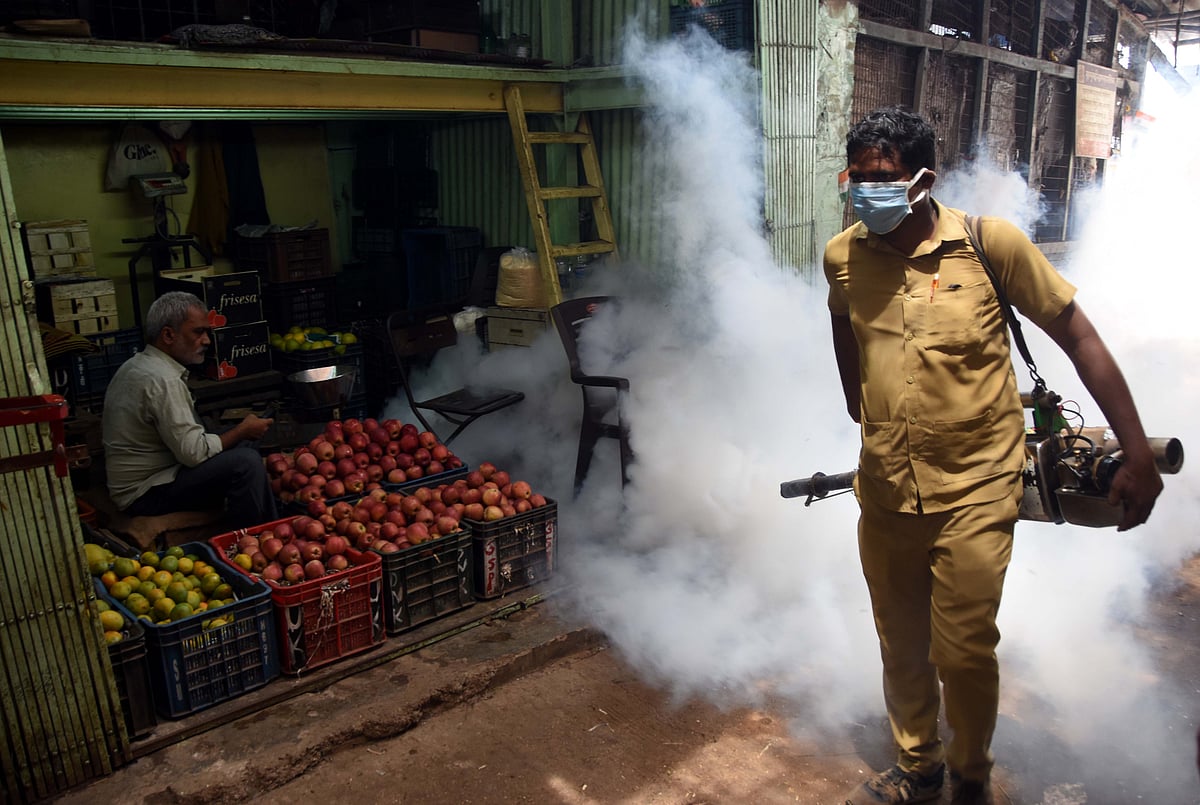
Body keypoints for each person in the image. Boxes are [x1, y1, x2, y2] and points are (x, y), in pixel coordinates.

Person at [824, 107, 1163, 805]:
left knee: (964, 649)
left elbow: (1081, 339)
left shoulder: (990, 246)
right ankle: (918, 766)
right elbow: (843, 325)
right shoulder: (843, 255)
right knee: (902, 644)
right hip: (886, 490)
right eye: (857, 177)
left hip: (977, 488)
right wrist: (862, 409)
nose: (865, 191)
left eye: (882, 178)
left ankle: (969, 775)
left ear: (923, 181)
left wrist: (1136, 451)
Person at [103, 291, 277, 530]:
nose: (206, 340)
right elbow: (193, 453)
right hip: (144, 496)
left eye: (207, 332)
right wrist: (241, 431)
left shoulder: (136, 365)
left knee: (243, 445)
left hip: (150, 480)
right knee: (246, 462)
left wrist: (241, 434)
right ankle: (252, 538)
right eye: (198, 332)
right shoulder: (163, 380)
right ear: (168, 335)